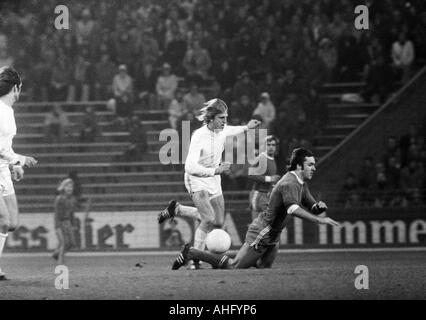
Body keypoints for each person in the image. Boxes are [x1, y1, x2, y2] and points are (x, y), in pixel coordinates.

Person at [171, 148, 340, 270]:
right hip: (263, 230)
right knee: (234, 266)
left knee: (263, 265)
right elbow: (293, 209)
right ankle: (192, 253)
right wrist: (319, 219)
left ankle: (217, 257)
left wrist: (318, 207)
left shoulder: (300, 183)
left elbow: (312, 205)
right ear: (299, 166)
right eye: (310, 164)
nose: (314, 168)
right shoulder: (289, 183)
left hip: (274, 233)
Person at [158, 98, 261, 269]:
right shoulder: (199, 136)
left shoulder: (222, 130)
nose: (225, 121)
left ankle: (177, 209)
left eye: (226, 117)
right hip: (197, 178)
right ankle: (194, 259)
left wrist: (246, 127)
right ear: (211, 119)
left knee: (218, 222)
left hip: (214, 178)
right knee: (207, 219)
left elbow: (230, 130)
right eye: (222, 118)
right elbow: (190, 167)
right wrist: (216, 170)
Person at [0, 66, 38, 280]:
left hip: (3, 168)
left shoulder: (8, 112)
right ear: (16, 88)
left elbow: (5, 145)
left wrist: (15, 164)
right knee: (3, 220)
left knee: (12, 223)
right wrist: (20, 160)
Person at [249, 135, 279, 221]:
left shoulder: (272, 159)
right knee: (259, 226)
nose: (271, 147)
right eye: (268, 145)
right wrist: (269, 179)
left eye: (273, 145)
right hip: (259, 194)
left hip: (268, 195)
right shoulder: (261, 157)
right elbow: (251, 174)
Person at [52, 178, 78, 265]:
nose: (70, 188)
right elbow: (56, 214)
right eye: (67, 186)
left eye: (71, 186)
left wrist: (73, 224)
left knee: (71, 243)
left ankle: (56, 253)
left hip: (68, 223)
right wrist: (57, 227)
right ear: (63, 187)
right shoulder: (59, 199)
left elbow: (72, 213)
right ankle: (60, 263)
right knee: (63, 243)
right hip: (60, 223)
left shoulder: (73, 199)